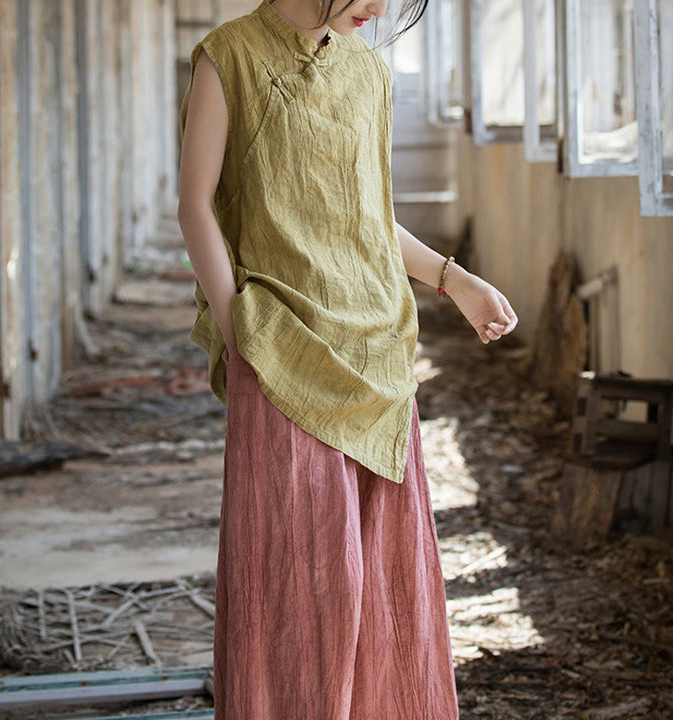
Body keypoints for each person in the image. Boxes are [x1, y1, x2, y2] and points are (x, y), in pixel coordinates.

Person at [177, 0, 518, 717]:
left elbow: (370, 213)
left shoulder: (367, 69)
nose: (381, 8)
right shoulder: (228, 57)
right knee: (294, 587)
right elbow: (195, 204)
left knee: (385, 594)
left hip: (378, 357)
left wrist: (456, 281)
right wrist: (240, 326)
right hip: (281, 349)